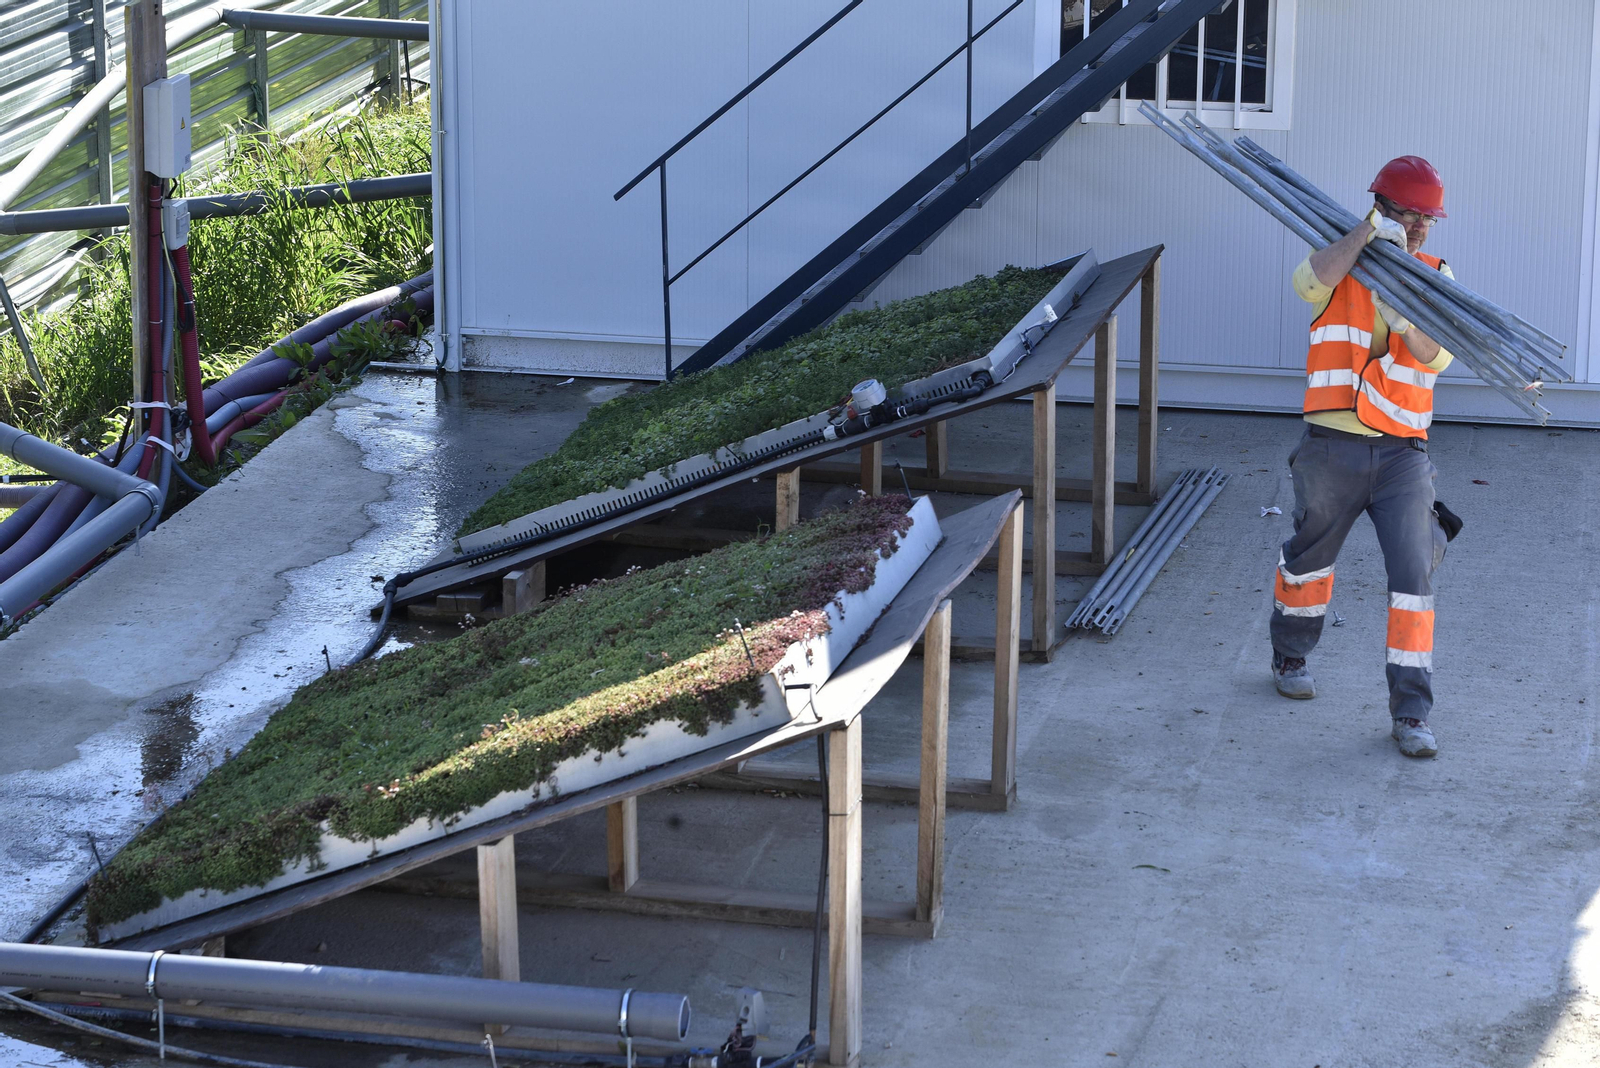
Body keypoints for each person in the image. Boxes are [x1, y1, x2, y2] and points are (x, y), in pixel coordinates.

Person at [1269, 156, 1461, 759]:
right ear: (1383, 208)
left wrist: (1408, 315)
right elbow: (1306, 283)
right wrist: (1365, 235)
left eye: (1429, 219)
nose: (1422, 229)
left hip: (1404, 454)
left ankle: (1412, 713)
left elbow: (1437, 357)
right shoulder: (1341, 258)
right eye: (1411, 216)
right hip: (1332, 445)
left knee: (1413, 580)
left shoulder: (1436, 273)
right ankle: (1291, 653)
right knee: (1309, 560)